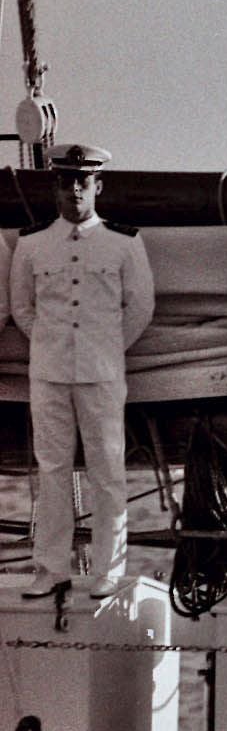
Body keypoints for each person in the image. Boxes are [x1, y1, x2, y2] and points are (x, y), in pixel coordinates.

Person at [12, 143, 155, 599]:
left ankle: (107, 570)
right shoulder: (32, 243)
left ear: (97, 186)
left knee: (107, 472)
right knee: (52, 470)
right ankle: (51, 568)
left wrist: (105, 347)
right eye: (66, 181)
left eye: (83, 181)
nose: (74, 190)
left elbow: (140, 309)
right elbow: (22, 308)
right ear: (55, 186)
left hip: (102, 373)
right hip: (50, 372)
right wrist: (54, 344)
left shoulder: (124, 243)